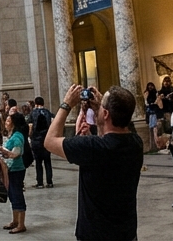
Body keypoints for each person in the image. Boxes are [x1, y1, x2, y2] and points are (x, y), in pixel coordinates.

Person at [44, 84, 144, 241]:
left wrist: (66, 104)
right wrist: (101, 110)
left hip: (95, 235)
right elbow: (111, 135)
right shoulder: (136, 143)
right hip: (126, 232)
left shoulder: (92, 148)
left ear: (106, 113)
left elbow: (49, 141)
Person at [0, 111, 28, 234]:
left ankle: (21, 224)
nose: (6, 123)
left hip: (16, 169)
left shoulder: (17, 136)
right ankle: (15, 221)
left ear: (14, 124)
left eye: (9, 121)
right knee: (12, 194)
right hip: (10, 169)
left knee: (17, 194)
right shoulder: (13, 135)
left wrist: (2, 149)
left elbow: (15, 154)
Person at [27, 97, 52, 188]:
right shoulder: (48, 113)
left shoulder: (33, 113)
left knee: (38, 162)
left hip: (37, 140)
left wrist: (30, 136)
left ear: (35, 104)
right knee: (47, 161)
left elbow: (30, 126)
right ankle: (49, 181)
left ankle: (40, 182)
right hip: (47, 140)